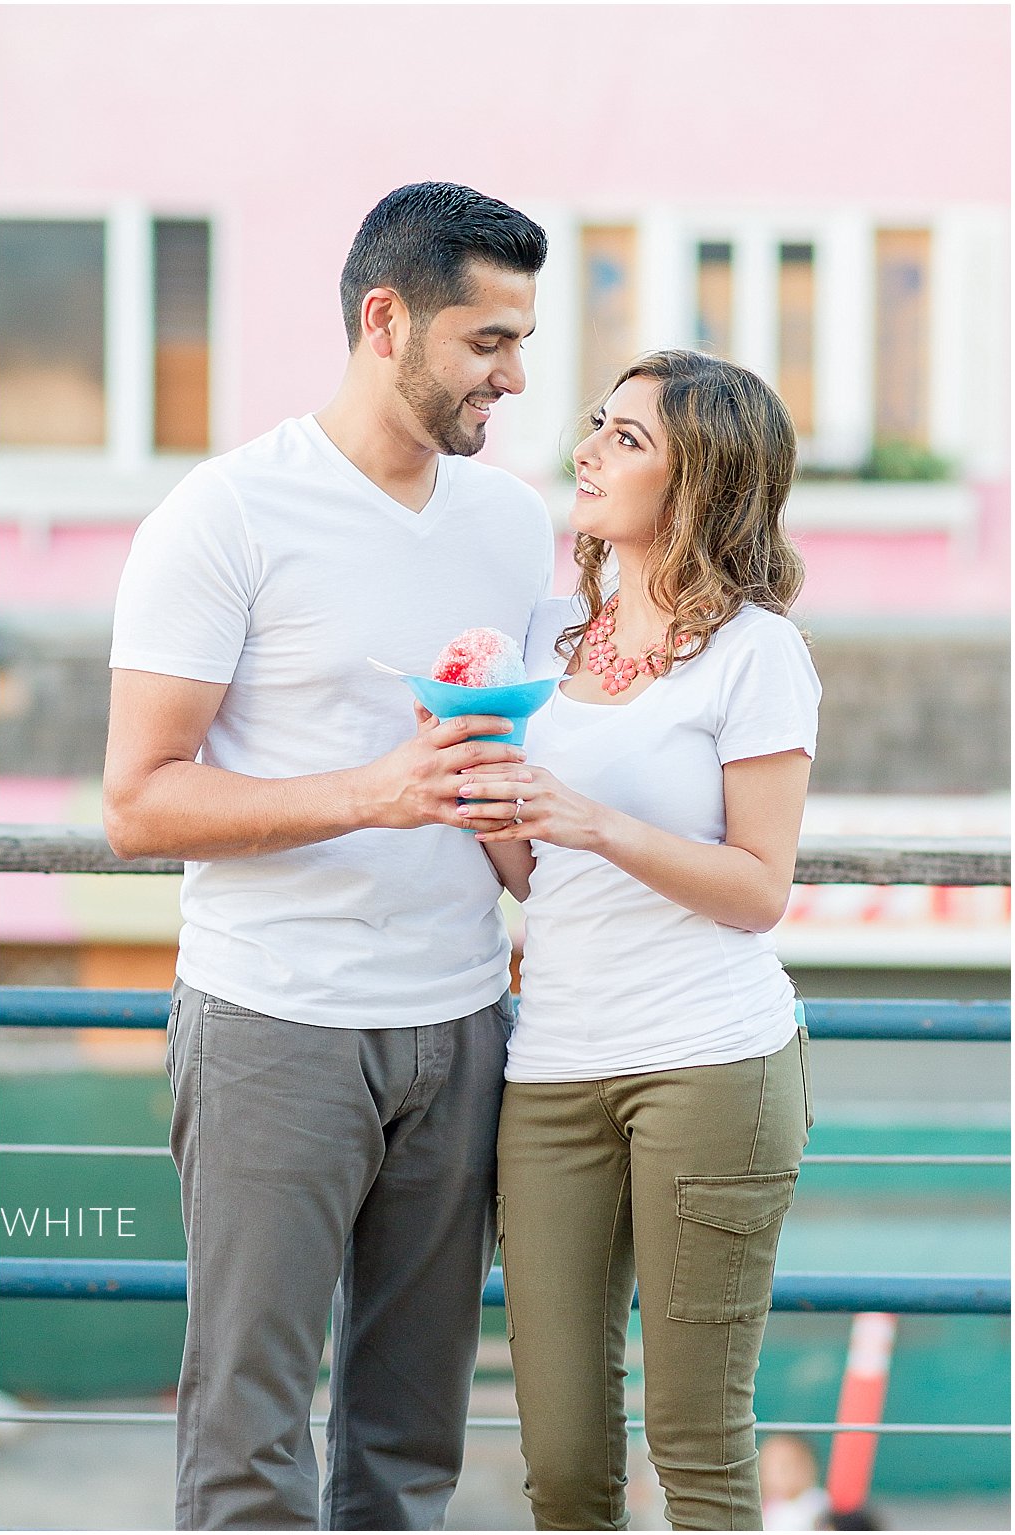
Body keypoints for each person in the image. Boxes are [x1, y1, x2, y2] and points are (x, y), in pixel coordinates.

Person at [103, 183, 552, 1530]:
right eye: (488, 341)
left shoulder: (514, 523)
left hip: (466, 1022)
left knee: (410, 1449)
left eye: (521, 342)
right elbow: (137, 801)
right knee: (249, 1436)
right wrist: (379, 789)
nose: (515, 376)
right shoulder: (225, 511)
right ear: (385, 320)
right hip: (274, 1022)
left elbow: (516, 795)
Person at [458, 350, 820, 1528]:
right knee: (561, 1456)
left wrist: (594, 822)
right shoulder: (554, 642)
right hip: (553, 1064)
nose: (586, 451)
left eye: (626, 439)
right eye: (595, 427)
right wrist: (486, 806)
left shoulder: (755, 650)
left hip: (708, 1064)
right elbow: (536, 873)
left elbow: (757, 887)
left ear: (700, 479)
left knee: (699, 1447)